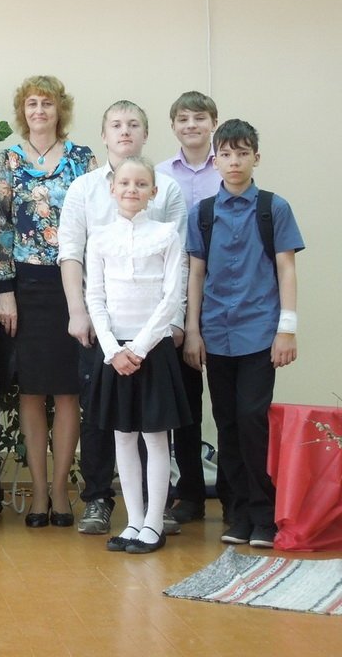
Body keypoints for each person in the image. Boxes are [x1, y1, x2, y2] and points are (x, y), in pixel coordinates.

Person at [58, 100, 188, 536]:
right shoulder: (84, 191)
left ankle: (154, 513)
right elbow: (72, 254)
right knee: (107, 423)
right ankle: (105, 503)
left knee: (154, 429)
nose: (125, 131)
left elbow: (175, 277)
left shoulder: (167, 195)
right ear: (104, 134)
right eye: (116, 124)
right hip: (105, 332)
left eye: (134, 124)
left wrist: (166, 328)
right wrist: (83, 317)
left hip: (152, 336)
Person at [184, 119, 304, 549]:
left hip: (259, 333)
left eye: (242, 153)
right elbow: (196, 274)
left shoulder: (274, 208)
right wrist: (192, 330)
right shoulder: (203, 214)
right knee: (227, 422)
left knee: (254, 420)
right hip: (216, 333)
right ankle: (236, 515)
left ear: (256, 157)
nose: (234, 161)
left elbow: (286, 269)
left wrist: (287, 329)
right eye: (226, 154)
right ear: (215, 160)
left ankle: (263, 515)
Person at [0, 75, 96, 528]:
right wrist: (5, 291)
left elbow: (96, 222)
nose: (39, 111)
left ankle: (60, 491)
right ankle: (37, 491)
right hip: (25, 286)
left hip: (72, 285)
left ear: (59, 110)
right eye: (32, 103)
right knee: (32, 389)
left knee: (69, 389)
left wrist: (92, 294)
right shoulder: (8, 160)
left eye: (47, 103)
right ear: (23, 111)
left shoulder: (81, 159)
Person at [85, 157, 191, 554]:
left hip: (152, 349)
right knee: (123, 436)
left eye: (141, 184)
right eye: (125, 183)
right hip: (115, 352)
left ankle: (153, 523)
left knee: (155, 436)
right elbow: (95, 297)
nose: (132, 189)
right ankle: (132, 521)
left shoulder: (165, 234)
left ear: (153, 192)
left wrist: (139, 347)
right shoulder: (99, 237)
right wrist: (112, 349)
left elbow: (171, 297)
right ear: (112, 189)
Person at [156, 91, 224, 525]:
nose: (192, 125)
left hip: (227, 292)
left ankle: (236, 495)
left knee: (231, 405)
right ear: (174, 126)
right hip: (179, 293)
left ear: (213, 122)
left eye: (200, 118)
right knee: (186, 404)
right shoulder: (160, 175)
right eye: (183, 119)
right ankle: (192, 495)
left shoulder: (229, 167)